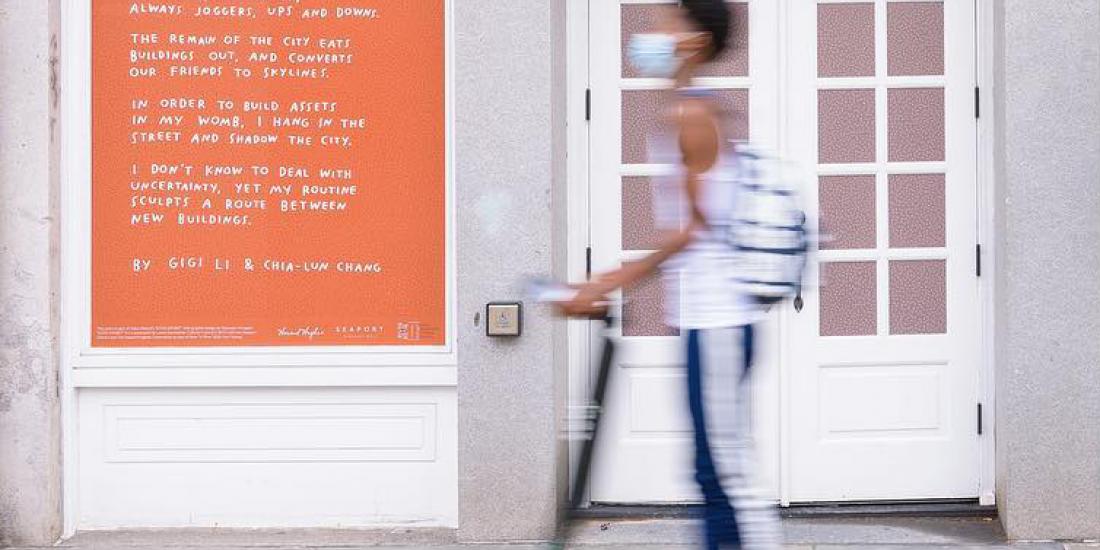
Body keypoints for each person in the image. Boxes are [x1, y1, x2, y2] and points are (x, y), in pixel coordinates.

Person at [558, 1, 781, 548]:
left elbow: (694, 228)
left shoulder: (692, 114)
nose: (652, 34)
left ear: (696, 41)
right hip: (707, 319)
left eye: (667, 23)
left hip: (721, 318)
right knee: (714, 468)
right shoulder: (686, 107)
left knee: (722, 472)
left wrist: (612, 278)